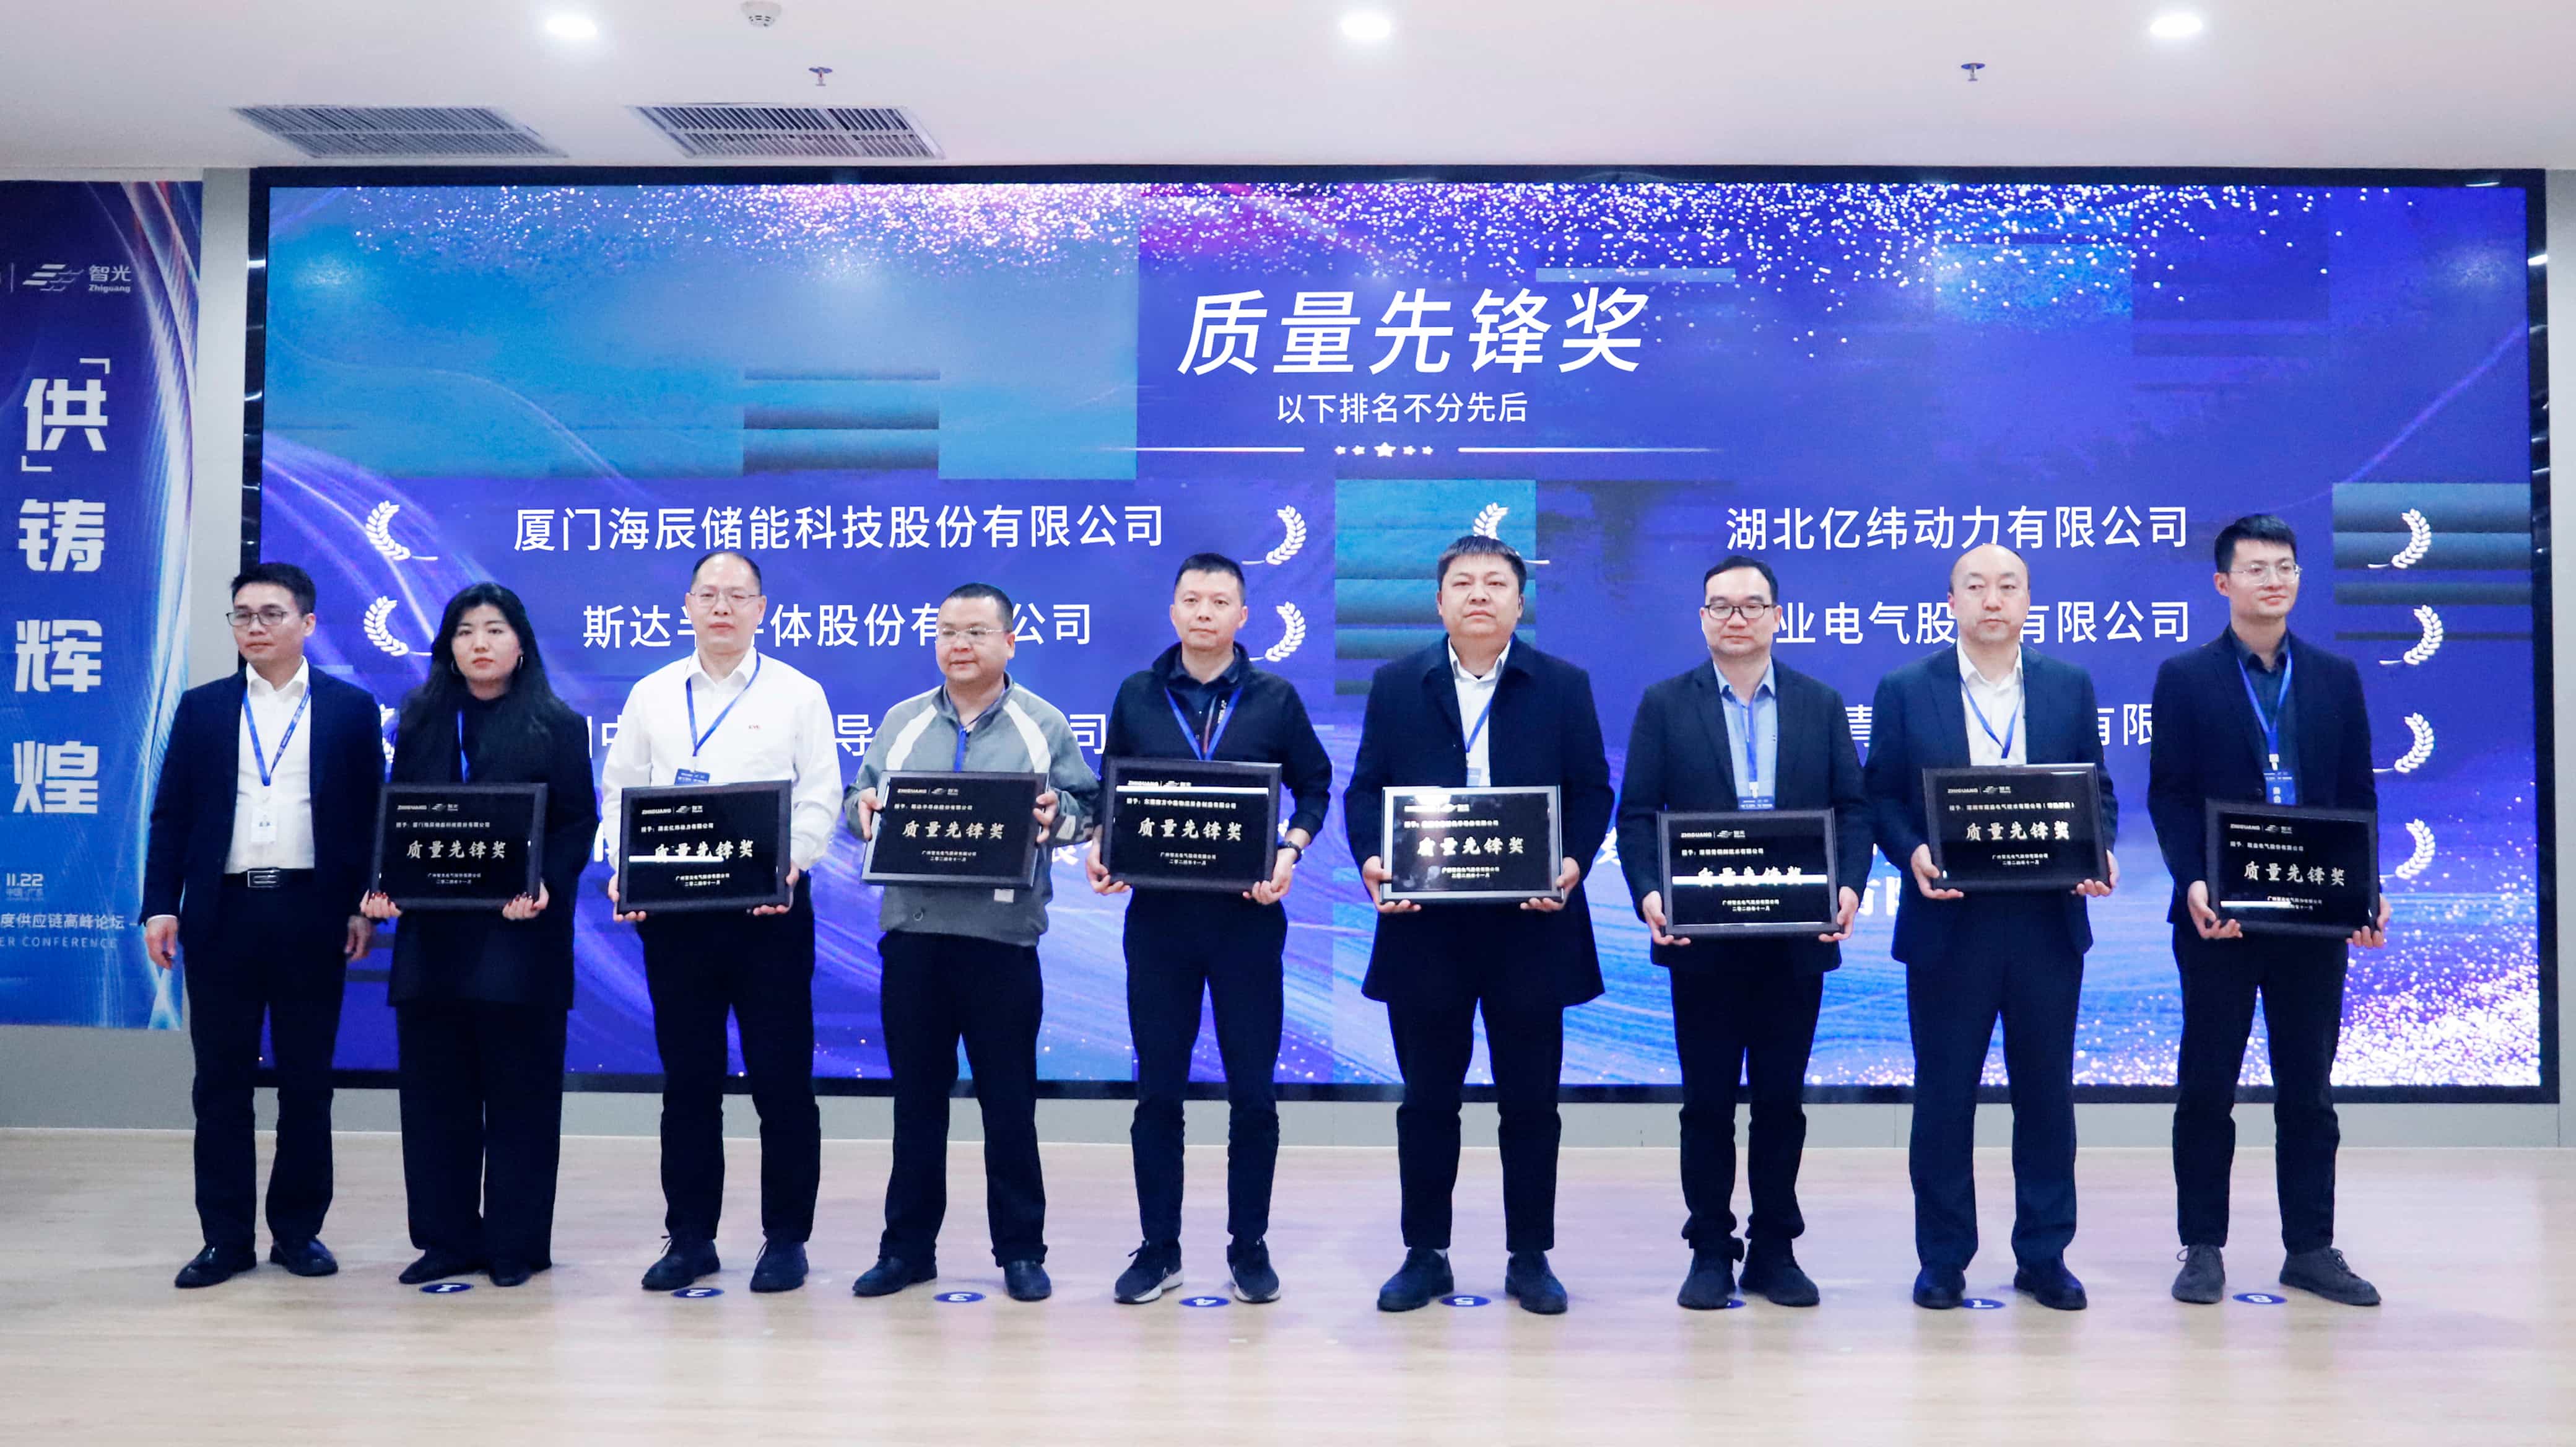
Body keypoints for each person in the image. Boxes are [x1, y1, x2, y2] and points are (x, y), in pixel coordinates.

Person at [1345, 535, 1613, 1316]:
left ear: (1518, 602)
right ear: (1439, 603)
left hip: (1531, 925)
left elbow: (1591, 791)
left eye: (1495, 582)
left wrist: (1570, 862)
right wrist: (1373, 859)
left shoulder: (1562, 684)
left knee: (1529, 1101)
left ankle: (1529, 1255)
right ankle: (1424, 1252)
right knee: (1427, 1099)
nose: (1478, 594)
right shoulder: (1397, 684)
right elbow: (1366, 790)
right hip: (1425, 925)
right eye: (1462, 582)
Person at [1863, 542, 2117, 1313]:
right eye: (1975, 586)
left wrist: (2097, 849)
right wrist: (1911, 851)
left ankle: (2044, 1254)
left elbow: (2097, 790)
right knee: (1944, 1097)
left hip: (2044, 923)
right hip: (1949, 924)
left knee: (2045, 1096)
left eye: (2008, 585)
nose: (1992, 599)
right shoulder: (1906, 688)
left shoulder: (2067, 685)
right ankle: (1942, 1258)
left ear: (2028, 600)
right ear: (1951, 602)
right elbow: (1881, 798)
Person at [1614, 554, 1873, 1310]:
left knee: (1780, 1102)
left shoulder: (1819, 703)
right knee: (1705, 1103)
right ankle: (1708, 1246)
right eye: (1720, 605)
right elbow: (1637, 814)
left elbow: (1852, 809)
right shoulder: (1665, 704)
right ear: (1701, 618)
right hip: (1701, 938)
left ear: (1776, 617)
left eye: (1751, 604)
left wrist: (1848, 886)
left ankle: (1774, 1247)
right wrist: (1650, 893)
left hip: (1794, 939)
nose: (1736, 617)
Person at [2149, 514, 2390, 1308]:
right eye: (2255, 568)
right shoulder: (2185, 677)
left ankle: (2309, 1247)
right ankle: (2201, 1246)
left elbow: (2356, 794)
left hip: (2312, 917)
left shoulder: (2333, 677)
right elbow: (2169, 795)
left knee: (2307, 1089)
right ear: (2223, 582)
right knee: (2205, 1085)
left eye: (2284, 566)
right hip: (2218, 918)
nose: (2272, 580)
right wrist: (2192, 881)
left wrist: (2365, 889)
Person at [1085, 553, 1333, 1306]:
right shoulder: (1137, 693)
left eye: (1219, 600)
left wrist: (1289, 849)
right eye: (1191, 599)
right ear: (1172, 611)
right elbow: (1111, 789)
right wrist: (1102, 844)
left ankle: (1248, 1245)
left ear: (1242, 615)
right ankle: (1158, 1247)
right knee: (1157, 1092)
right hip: (1158, 922)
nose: (1203, 611)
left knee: (1252, 1092)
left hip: (1246, 922)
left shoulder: (1273, 697)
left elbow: (1315, 784)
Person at [845, 582, 1100, 1304]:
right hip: (915, 939)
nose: (959, 644)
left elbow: (1087, 808)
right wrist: (861, 812)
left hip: (1001, 941)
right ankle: (906, 1249)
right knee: (916, 1102)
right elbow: (857, 800)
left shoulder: (1041, 723)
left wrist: (1056, 817)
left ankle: (1020, 1250)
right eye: (947, 631)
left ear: (1009, 642)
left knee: (1008, 1103)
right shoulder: (901, 721)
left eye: (976, 631)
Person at [601, 549, 843, 1295]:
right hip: (677, 918)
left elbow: (820, 794)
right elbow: (620, 790)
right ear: (686, 605)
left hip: (770, 914)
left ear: (762, 609)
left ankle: (786, 1238)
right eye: (708, 594)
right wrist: (622, 865)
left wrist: (790, 863)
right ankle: (690, 1236)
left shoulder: (799, 693)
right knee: (688, 1081)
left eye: (738, 596)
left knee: (781, 1078)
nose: (722, 608)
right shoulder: (651, 693)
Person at [141, 562, 382, 1288]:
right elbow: (171, 814)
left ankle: (298, 1231)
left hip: (312, 910)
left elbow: (370, 816)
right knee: (221, 1082)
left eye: (271, 613)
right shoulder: (203, 708)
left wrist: (361, 901)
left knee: (307, 1081)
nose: (254, 626)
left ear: (307, 623)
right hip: (223, 911)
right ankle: (225, 1238)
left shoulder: (349, 709)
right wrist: (161, 903)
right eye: (242, 614)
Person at [359, 584, 598, 1288]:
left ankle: (515, 1245)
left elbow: (576, 822)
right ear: (448, 646)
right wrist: (383, 884)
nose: (480, 643)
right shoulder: (421, 717)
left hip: (521, 940)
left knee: (522, 1098)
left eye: (494, 629)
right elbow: (397, 816)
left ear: (520, 643)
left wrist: (545, 883)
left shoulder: (556, 723)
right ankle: (445, 1239)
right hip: (434, 941)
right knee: (437, 1100)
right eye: (465, 631)